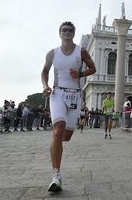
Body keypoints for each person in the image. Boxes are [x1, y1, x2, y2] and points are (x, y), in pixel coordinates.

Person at [41, 21, 96, 192]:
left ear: (73, 33)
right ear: (59, 33)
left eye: (70, 30)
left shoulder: (81, 51)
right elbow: (44, 71)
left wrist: (80, 73)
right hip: (57, 94)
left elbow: (93, 68)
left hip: (75, 95)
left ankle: (57, 144)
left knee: (66, 135)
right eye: (64, 30)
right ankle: (56, 175)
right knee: (58, 130)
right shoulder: (52, 53)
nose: (67, 32)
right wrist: (45, 86)